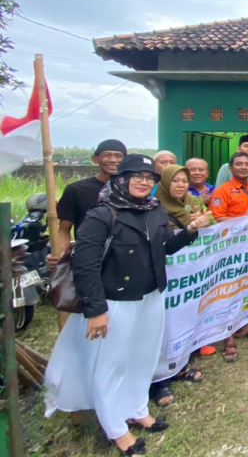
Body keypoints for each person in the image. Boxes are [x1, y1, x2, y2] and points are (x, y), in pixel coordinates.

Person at [44, 154, 211, 455]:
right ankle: (115, 428)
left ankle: (136, 408)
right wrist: (96, 310)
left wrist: (190, 230)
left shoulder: (154, 210)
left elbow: (165, 248)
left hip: (151, 296)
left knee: (143, 356)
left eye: (149, 177)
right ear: (121, 179)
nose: (144, 182)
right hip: (115, 301)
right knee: (112, 363)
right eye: (137, 176)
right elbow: (85, 266)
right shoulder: (102, 215)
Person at [50, 139, 127, 329]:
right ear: (95, 159)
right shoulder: (76, 190)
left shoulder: (132, 191)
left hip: (122, 261)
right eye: (107, 155)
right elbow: (64, 229)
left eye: (118, 156)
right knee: (85, 315)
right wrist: (62, 256)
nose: (113, 160)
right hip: (89, 260)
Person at [151, 165, 206, 407]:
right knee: (162, 324)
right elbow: (165, 244)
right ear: (164, 183)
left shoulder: (192, 202)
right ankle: (157, 380)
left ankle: (179, 365)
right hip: (163, 276)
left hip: (189, 274)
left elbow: (211, 221)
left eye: (184, 181)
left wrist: (202, 221)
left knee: (183, 317)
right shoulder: (153, 208)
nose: (181, 185)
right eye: (175, 181)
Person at [210, 152, 248, 361]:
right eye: (239, 164)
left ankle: (241, 326)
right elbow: (216, 218)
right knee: (228, 291)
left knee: (244, 287)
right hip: (228, 251)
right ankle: (228, 338)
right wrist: (242, 220)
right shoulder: (223, 190)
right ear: (230, 168)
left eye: (247, 164)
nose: (243, 167)